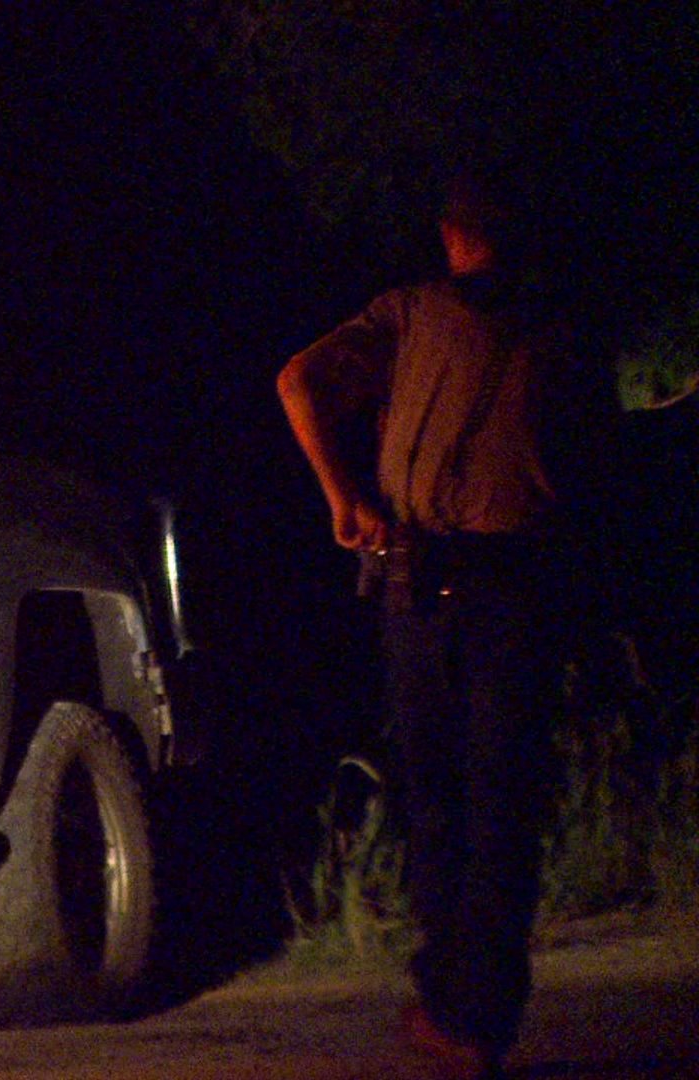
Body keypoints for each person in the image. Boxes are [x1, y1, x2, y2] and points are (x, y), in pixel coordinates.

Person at [277, 171, 596, 1079]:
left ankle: (453, 1003)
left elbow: (296, 381)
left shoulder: (412, 315)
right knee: (502, 800)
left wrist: (346, 501)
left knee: (437, 800)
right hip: (518, 586)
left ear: (455, 235)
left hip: (416, 579)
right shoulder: (564, 335)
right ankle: (478, 1014)